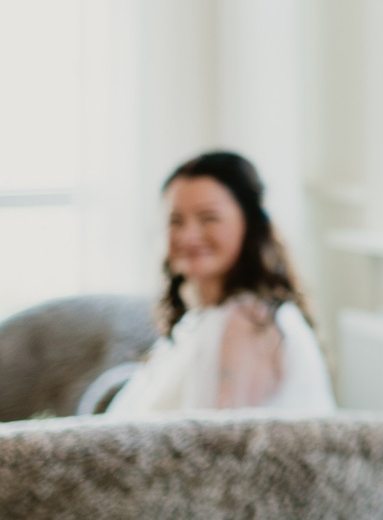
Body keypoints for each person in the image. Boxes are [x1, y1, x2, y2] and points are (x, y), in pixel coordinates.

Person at [107, 150, 334, 416]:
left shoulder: (250, 322)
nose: (188, 235)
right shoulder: (205, 318)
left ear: (249, 224)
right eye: (175, 220)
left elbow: (219, 447)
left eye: (209, 218)